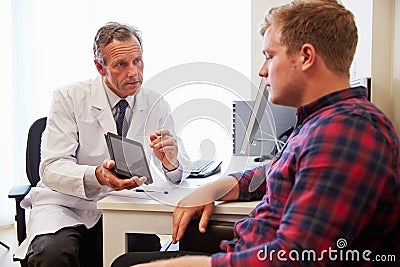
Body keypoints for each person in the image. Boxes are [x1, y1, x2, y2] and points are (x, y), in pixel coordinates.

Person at [112, 0, 400, 266]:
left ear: (306, 57)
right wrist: (210, 189)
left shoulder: (343, 133)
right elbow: (265, 176)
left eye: (269, 56)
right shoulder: (320, 123)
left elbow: (294, 259)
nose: (262, 70)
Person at [14, 22, 191, 266]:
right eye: (121, 64)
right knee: (54, 256)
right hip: (66, 207)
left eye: (137, 61)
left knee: (144, 257)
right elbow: (51, 168)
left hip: (125, 206)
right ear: (100, 67)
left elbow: (179, 174)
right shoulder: (68, 98)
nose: (134, 72)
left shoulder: (156, 103)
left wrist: (172, 163)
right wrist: (96, 175)